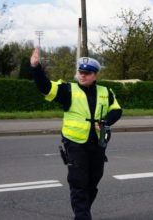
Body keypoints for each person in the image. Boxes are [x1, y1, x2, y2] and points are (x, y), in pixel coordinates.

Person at [30, 48, 122, 220]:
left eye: (87, 73)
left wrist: (105, 122)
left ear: (95, 75)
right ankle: (82, 216)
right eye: (81, 72)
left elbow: (117, 110)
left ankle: (83, 212)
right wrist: (36, 68)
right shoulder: (68, 90)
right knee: (79, 183)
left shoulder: (105, 92)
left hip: (98, 144)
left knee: (93, 182)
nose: (82, 76)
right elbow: (45, 87)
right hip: (75, 144)